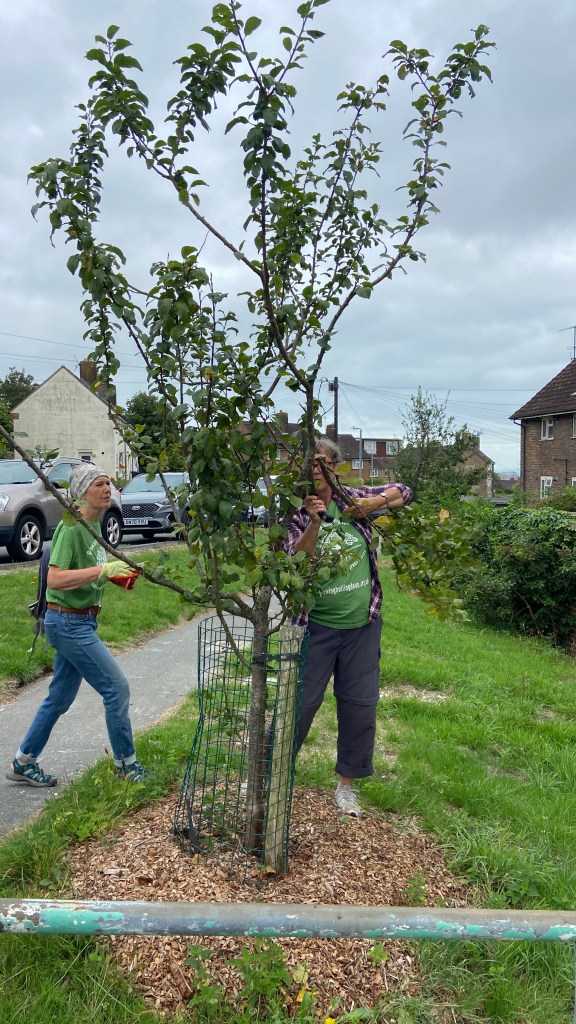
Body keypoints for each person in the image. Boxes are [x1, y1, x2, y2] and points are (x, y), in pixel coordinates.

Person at [284, 438, 412, 817]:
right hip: (316, 628)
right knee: (301, 705)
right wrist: (313, 521)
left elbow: (404, 491)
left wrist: (369, 506)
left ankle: (346, 787)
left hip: (362, 626)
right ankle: (277, 774)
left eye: (324, 464)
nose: (318, 471)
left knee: (359, 706)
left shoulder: (353, 496)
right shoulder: (296, 511)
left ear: (336, 467)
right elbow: (296, 560)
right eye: (312, 465)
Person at [5, 463, 149, 788]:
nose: (106, 488)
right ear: (83, 491)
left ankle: (23, 762)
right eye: (99, 484)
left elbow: (92, 572)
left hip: (80, 620)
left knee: (59, 698)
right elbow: (55, 578)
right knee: (116, 688)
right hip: (69, 623)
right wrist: (102, 572)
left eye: (109, 483)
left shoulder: (94, 528)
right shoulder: (71, 528)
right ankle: (126, 766)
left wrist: (118, 576)